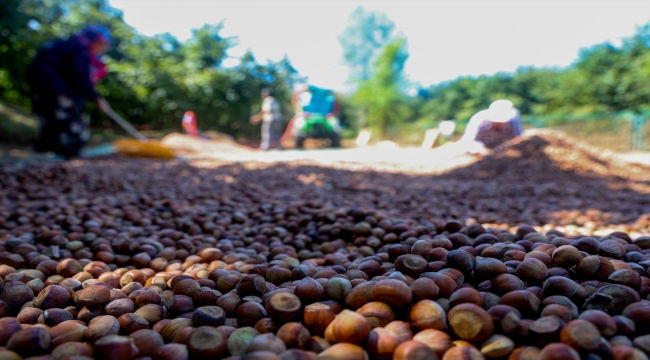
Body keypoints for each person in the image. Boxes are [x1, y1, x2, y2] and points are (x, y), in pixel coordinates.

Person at [26, 25, 113, 158]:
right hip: (57, 90)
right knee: (73, 128)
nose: (101, 50)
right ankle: (65, 157)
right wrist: (96, 97)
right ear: (94, 40)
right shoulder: (79, 49)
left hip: (42, 87)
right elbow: (80, 77)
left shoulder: (66, 46)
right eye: (100, 45)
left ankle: (43, 156)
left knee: (51, 124)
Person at [457, 99, 522, 155]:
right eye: (497, 122)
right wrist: (481, 150)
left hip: (501, 149)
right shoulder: (478, 119)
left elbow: (518, 137)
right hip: (482, 150)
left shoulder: (513, 118)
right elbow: (468, 141)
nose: (499, 124)